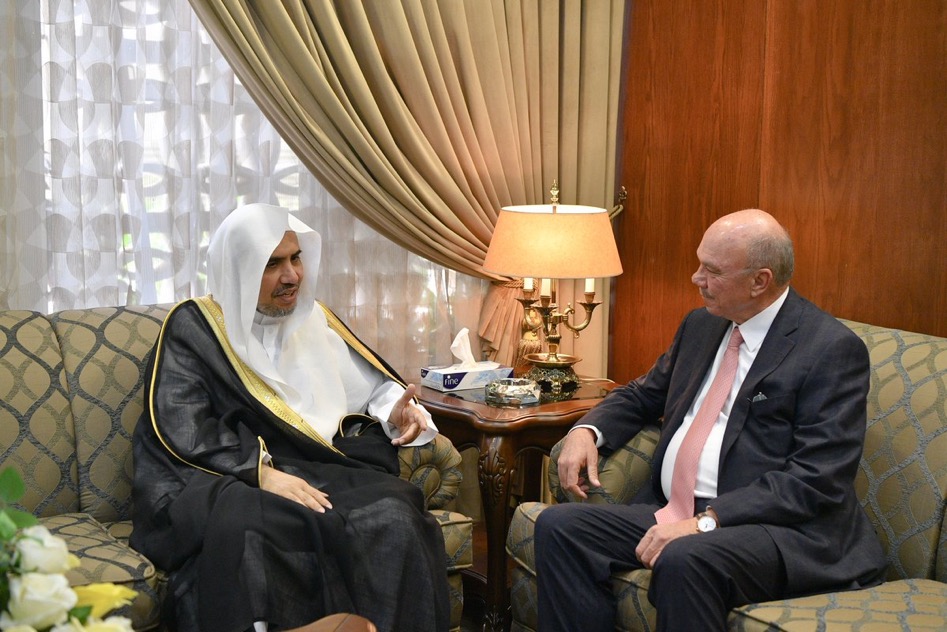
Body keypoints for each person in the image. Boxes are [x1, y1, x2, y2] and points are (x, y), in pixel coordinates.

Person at [535, 209, 887, 631]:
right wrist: (584, 431)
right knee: (559, 526)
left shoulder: (829, 349)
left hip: (772, 529)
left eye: (712, 270)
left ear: (761, 280)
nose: (695, 278)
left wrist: (706, 523)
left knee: (685, 558)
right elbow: (643, 393)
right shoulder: (703, 324)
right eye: (700, 262)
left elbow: (817, 478)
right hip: (678, 511)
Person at [130, 203, 450, 632]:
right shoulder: (195, 326)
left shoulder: (313, 319)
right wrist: (261, 474)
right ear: (239, 267)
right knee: (251, 527)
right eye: (273, 264)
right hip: (232, 474)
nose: (292, 276)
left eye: (295, 258)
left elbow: (370, 387)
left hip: (319, 468)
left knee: (396, 515)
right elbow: (182, 423)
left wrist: (396, 409)